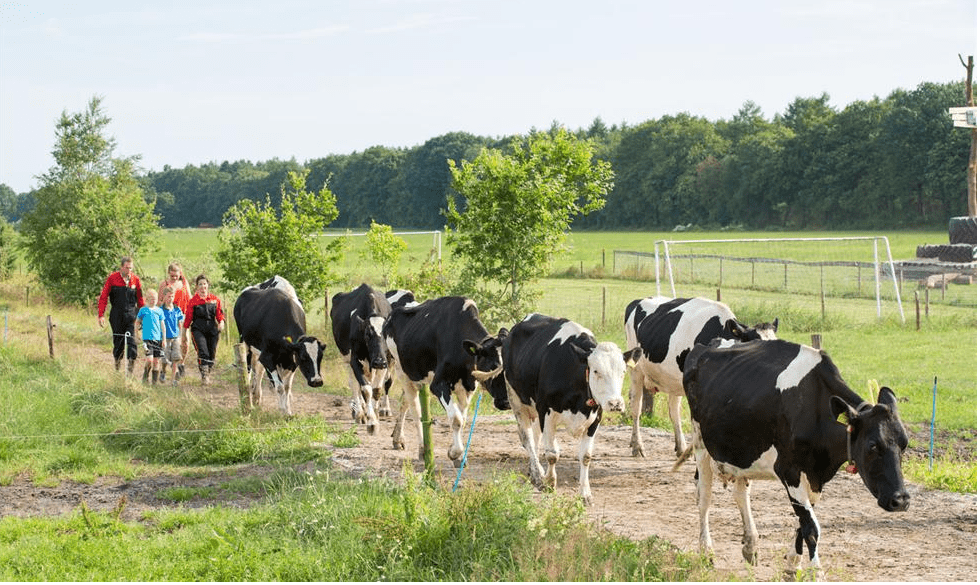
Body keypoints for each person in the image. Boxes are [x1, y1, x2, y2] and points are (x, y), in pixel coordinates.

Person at [97, 256, 145, 373]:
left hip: (131, 316)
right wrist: (101, 315)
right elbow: (103, 297)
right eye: (127, 268)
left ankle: (130, 370)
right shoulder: (112, 278)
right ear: (121, 267)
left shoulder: (135, 280)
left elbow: (140, 300)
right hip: (116, 315)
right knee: (118, 343)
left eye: (131, 268)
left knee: (132, 342)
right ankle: (117, 367)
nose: (129, 271)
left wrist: (143, 317)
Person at [183, 274, 225, 384]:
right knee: (203, 351)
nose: (202, 287)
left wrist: (221, 322)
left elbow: (220, 315)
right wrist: (184, 335)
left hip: (212, 330)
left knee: (211, 354)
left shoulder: (215, 300)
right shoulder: (193, 301)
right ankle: (204, 376)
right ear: (196, 287)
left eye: (204, 284)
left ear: (208, 285)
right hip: (198, 330)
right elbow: (187, 320)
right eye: (200, 284)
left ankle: (208, 369)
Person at [158, 262, 191, 381]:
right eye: (172, 276)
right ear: (169, 274)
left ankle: (181, 364)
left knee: (185, 342)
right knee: (167, 345)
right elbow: (159, 302)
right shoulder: (164, 284)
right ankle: (166, 368)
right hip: (167, 315)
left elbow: (190, 298)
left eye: (176, 275)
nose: (174, 278)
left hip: (182, 315)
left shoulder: (184, 283)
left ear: (180, 273)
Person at [135, 289, 166, 384]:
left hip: (158, 339)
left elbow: (163, 326)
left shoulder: (159, 311)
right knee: (149, 359)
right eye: (152, 299)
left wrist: (164, 339)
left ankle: (154, 382)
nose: (154, 301)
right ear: (147, 299)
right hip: (147, 339)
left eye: (155, 299)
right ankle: (145, 375)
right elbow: (137, 322)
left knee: (156, 361)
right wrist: (136, 334)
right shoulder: (143, 310)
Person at [159, 285, 185, 386]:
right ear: (164, 297)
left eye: (172, 296)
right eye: (168, 296)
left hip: (175, 338)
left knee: (175, 358)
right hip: (164, 338)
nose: (170, 299)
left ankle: (173, 380)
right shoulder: (160, 310)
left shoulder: (177, 310)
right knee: (165, 359)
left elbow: (180, 323)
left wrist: (180, 337)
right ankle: (163, 371)